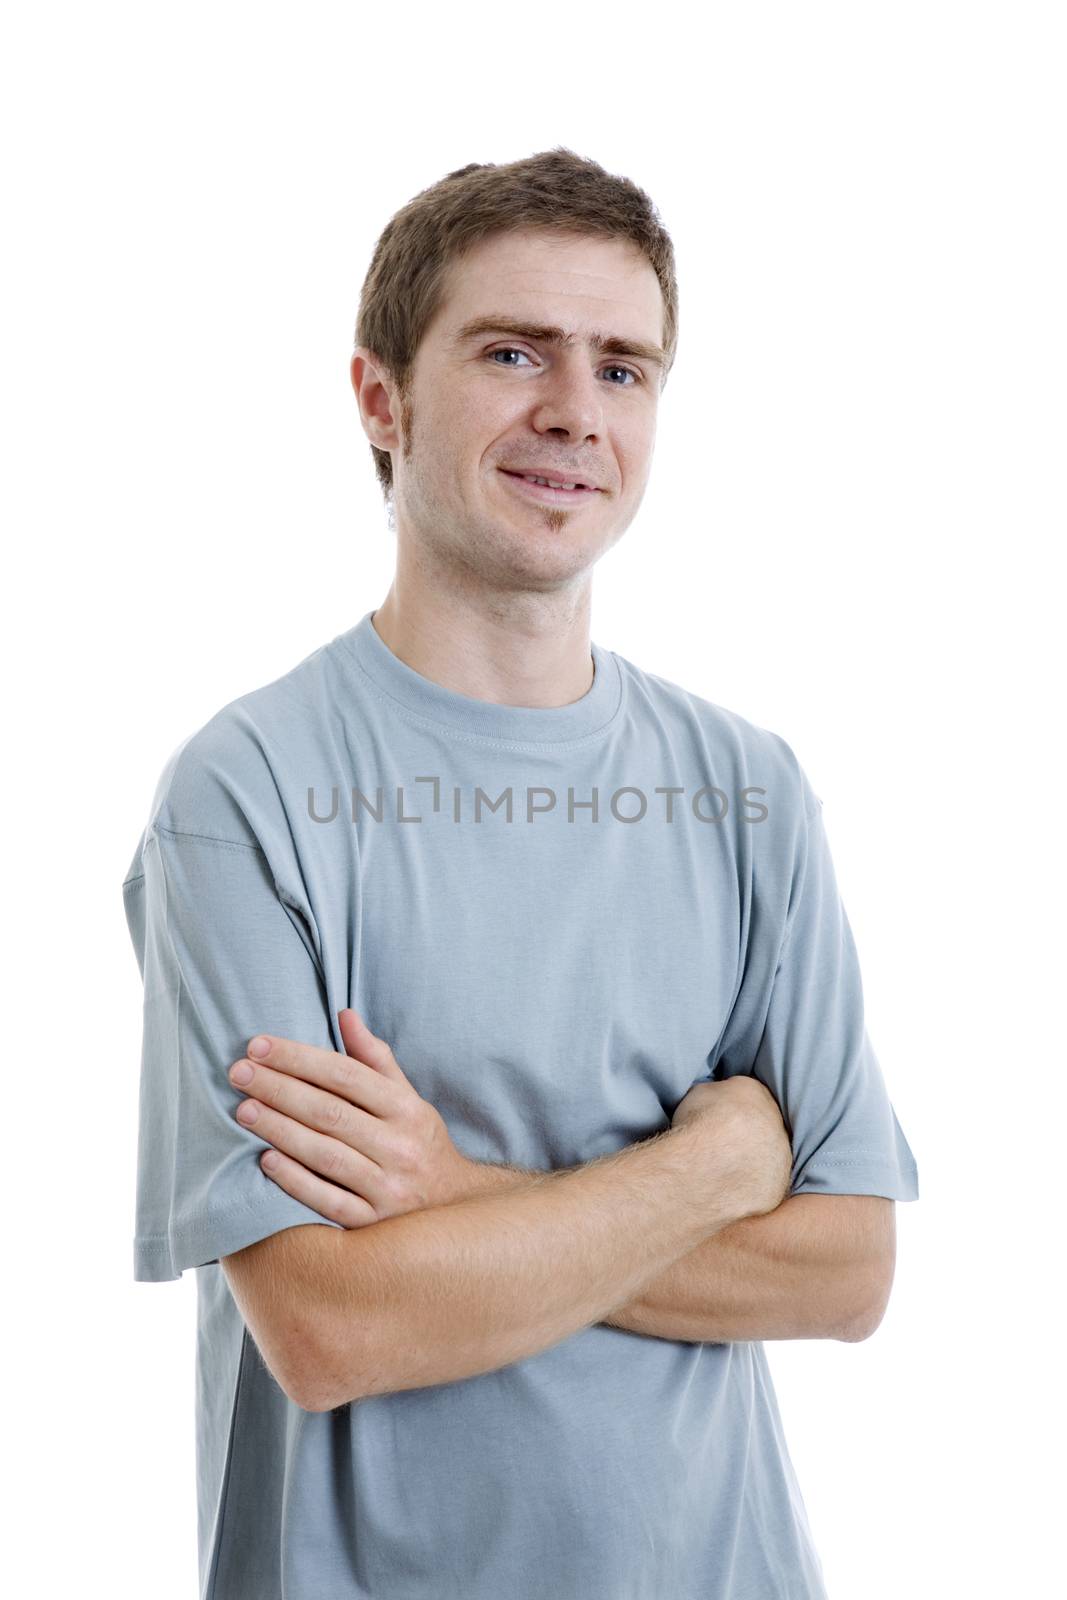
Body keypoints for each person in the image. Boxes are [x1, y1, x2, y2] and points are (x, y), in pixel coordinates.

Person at [123, 146, 920, 1600]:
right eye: (514, 352)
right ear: (382, 395)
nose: (574, 410)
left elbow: (845, 1274)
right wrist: (720, 1166)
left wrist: (456, 1188)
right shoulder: (247, 798)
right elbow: (334, 1326)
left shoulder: (747, 791)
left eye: (625, 368)